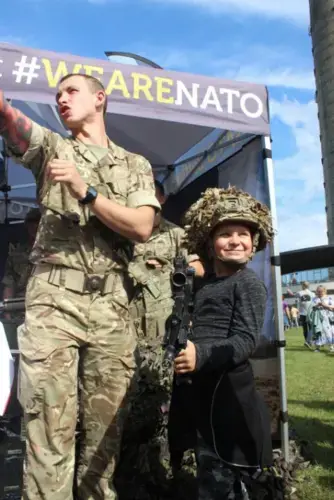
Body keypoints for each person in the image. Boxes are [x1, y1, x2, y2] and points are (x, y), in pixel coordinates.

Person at [0, 74, 160, 499]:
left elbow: (143, 226)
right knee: (48, 431)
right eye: (57, 95)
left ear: (100, 98)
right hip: (54, 301)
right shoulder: (54, 148)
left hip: (111, 306)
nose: (61, 100)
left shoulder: (134, 165)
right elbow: (12, 123)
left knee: (104, 439)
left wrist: (85, 191)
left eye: (71, 91)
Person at [172, 186, 275, 500]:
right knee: (209, 468)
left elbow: (246, 340)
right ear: (211, 245)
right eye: (226, 234)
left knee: (229, 476)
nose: (235, 240)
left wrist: (200, 354)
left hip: (230, 396)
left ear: (253, 243)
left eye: (243, 234)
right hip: (204, 394)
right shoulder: (207, 286)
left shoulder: (248, 284)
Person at [115, 179, 203, 497]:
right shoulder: (121, 231)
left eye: (153, 195)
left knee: (159, 413)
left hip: (160, 340)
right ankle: (126, 477)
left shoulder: (175, 234)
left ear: (162, 199)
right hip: (121, 338)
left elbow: (199, 267)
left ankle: (158, 475)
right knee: (123, 412)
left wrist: (176, 270)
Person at [2, 207, 41, 302]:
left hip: (47, 303)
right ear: (26, 225)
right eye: (31, 222)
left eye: (38, 222)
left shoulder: (56, 253)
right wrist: (8, 311)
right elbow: (9, 284)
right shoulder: (16, 255)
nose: (35, 226)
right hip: (21, 304)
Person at [287, 281, 314, 346]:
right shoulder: (312, 293)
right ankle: (309, 341)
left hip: (303, 313)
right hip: (310, 312)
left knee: (305, 328)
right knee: (311, 328)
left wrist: (288, 290)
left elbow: (292, 295)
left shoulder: (300, 292)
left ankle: (307, 341)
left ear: (303, 286)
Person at [308, 285, 334, 353]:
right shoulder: (314, 299)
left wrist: (324, 305)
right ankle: (317, 347)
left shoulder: (329, 298)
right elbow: (311, 308)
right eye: (318, 291)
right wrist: (317, 305)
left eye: (321, 291)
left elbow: (332, 307)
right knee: (318, 332)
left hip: (327, 318)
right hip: (317, 319)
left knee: (328, 332)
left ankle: (331, 346)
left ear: (324, 291)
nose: (319, 293)